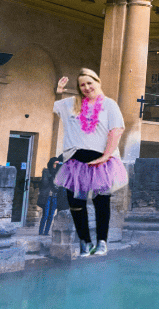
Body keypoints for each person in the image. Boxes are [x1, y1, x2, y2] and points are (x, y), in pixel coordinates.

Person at [53, 68, 128, 257]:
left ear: (97, 82)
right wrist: (59, 91)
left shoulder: (109, 105)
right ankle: (85, 242)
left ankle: (102, 242)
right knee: (75, 203)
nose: (86, 87)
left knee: (101, 200)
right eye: (82, 85)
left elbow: (116, 130)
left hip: (100, 161)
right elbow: (56, 107)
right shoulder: (73, 103)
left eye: (89, 83)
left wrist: (106, 155)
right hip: (76, 162)